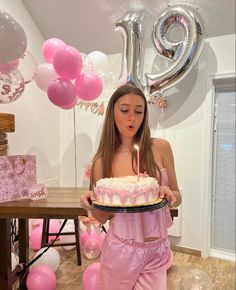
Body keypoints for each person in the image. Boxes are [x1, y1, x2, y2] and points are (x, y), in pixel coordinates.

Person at [80, 83, 182, 290]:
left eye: (139, 111)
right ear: (112, 113)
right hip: (120, 250)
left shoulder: (161, 147)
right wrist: (90, 203)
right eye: (125, 110)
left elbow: (178, 196)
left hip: (155, 249)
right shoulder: (102, 161)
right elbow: (102, 217)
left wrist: (169, 195)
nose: (132, 118)